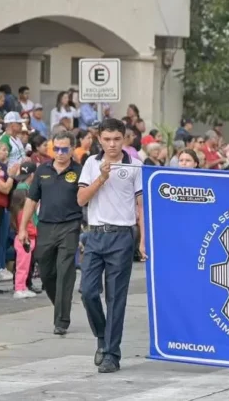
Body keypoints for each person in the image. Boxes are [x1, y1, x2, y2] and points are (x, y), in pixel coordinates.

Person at [77, 119, 145, 374]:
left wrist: (143, 240)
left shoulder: (135, 165)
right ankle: (102, 335)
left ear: (124, 139)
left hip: (122, 236)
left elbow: (141, 206)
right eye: (107, 139)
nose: (112, 144)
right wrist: (102, 178)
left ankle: (111, 354)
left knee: (116, 297)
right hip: (95, 235)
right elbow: (81, 199)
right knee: (87, 291)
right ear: (99, 140)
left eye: (117, 139)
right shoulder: (91, 163)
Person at [18, 133, 84, 332]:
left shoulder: (79, 171)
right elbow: (31, 199)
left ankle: (61, 321)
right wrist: (23, 228)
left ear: (72, 149)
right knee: (46, 273)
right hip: (46, 226)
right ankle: (61, 304)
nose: (60, 153)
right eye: (56, 149)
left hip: (70, 225)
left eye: (64, 149)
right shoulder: (42, 170)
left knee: (65, 271)